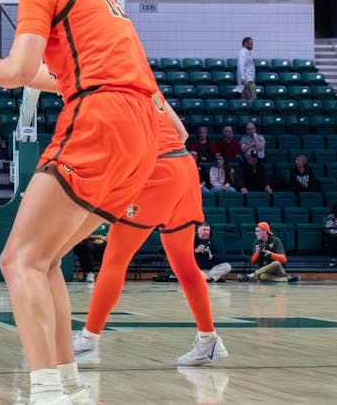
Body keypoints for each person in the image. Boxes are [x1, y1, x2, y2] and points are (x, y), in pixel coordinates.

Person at [0, 0, 162, 405]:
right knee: (44, 259)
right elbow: (60, 78)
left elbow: (22, 69)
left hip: (102, 118)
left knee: (17, 259)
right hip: (140, 129)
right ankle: (69, 385)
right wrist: (4, 71)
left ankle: (45, 391)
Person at [73, 100, 228, 370]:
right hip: (183, 166)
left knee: (115, 259)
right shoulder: (148, 85)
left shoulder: (107, 93)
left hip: (157, 170)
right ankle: (208, 340)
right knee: (184, 264)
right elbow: (182, 134)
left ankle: (88, 341)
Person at [237, 37, 256, 102]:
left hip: (247, 81)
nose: (252, 45)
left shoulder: (246, 52)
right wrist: (243, 77)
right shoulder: (243, 52)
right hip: (248, 82)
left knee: (245, 102)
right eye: (251, 44)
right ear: (245, 43)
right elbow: (241, 65)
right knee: (252, 102)